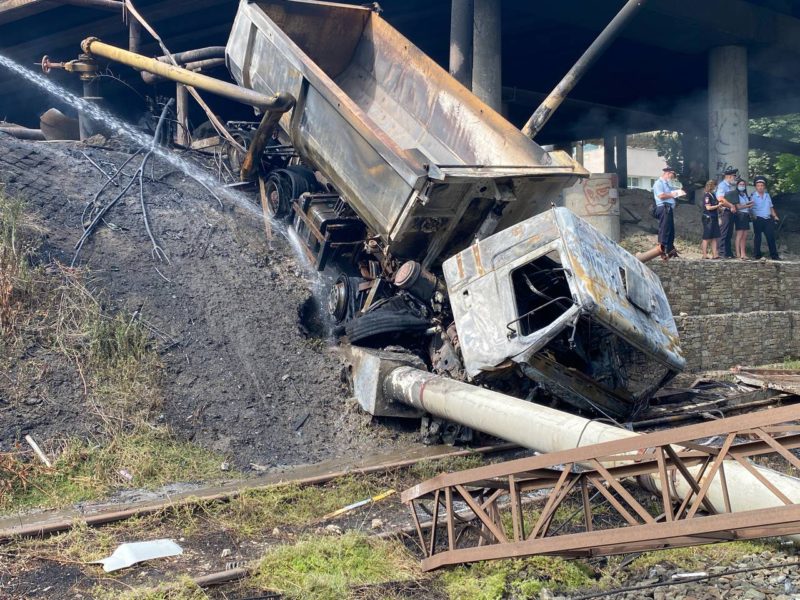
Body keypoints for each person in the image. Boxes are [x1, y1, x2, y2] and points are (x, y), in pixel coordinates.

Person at [637, 166, 683, 262]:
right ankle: (662, 248)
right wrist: (673, 194)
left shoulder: (667, 184)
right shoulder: (658, 183)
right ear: (667, 173)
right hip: (663, 207)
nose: (672, 177)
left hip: (668, 208)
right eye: (672, 175)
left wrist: (677, 193)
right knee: (664, 228)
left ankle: (670, 249)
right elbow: (661, 196)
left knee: (670, 229)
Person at [750, 175, 781, 260]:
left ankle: (774, 256)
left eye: (762, 186)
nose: (760, 187)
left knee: (770, 237)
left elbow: (770, 207)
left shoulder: (767, 195)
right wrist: (753, 217)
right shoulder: (753, 196)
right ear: (756, 187)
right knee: (758, 237)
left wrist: (775, 216)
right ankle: (757, 255)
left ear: (764, 187)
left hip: (768, 218)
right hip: (758, 218)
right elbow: (750, 208)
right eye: (758, 186)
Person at [725, 178, 754, 260]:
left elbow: (744, 204)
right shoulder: (735, 194)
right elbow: (738, 207)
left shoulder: (744, 194)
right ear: (737, 185)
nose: (742, 186)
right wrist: (748, 205)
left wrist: (750, 203)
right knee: (739, 235)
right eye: (740, 184)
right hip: (739, 215)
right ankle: (738, 253)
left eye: (743, 185)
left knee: (744, 235)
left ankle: (743, 253)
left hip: (746, 215)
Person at [716, 167, 739, 258]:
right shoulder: (722, 185)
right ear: (729, 177)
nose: (735, 178)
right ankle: (721, 252)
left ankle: (728, 252)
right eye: (734, 176)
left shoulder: (730, 186)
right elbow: (720, 198)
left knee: (729, 233)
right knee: (723, 232)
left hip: (730, 211)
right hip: (725, 211)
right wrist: (731, 206)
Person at [700, 179, 722, 259]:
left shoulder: (713, 195)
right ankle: (704, 254)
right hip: (708, 218)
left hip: (714, 217)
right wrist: (718, 206)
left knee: (714, 236)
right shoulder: (707, 196)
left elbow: (716, 206)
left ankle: (715, 254)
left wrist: (719, 208)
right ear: (713, 186)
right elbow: (708, 207)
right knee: (707, 236)